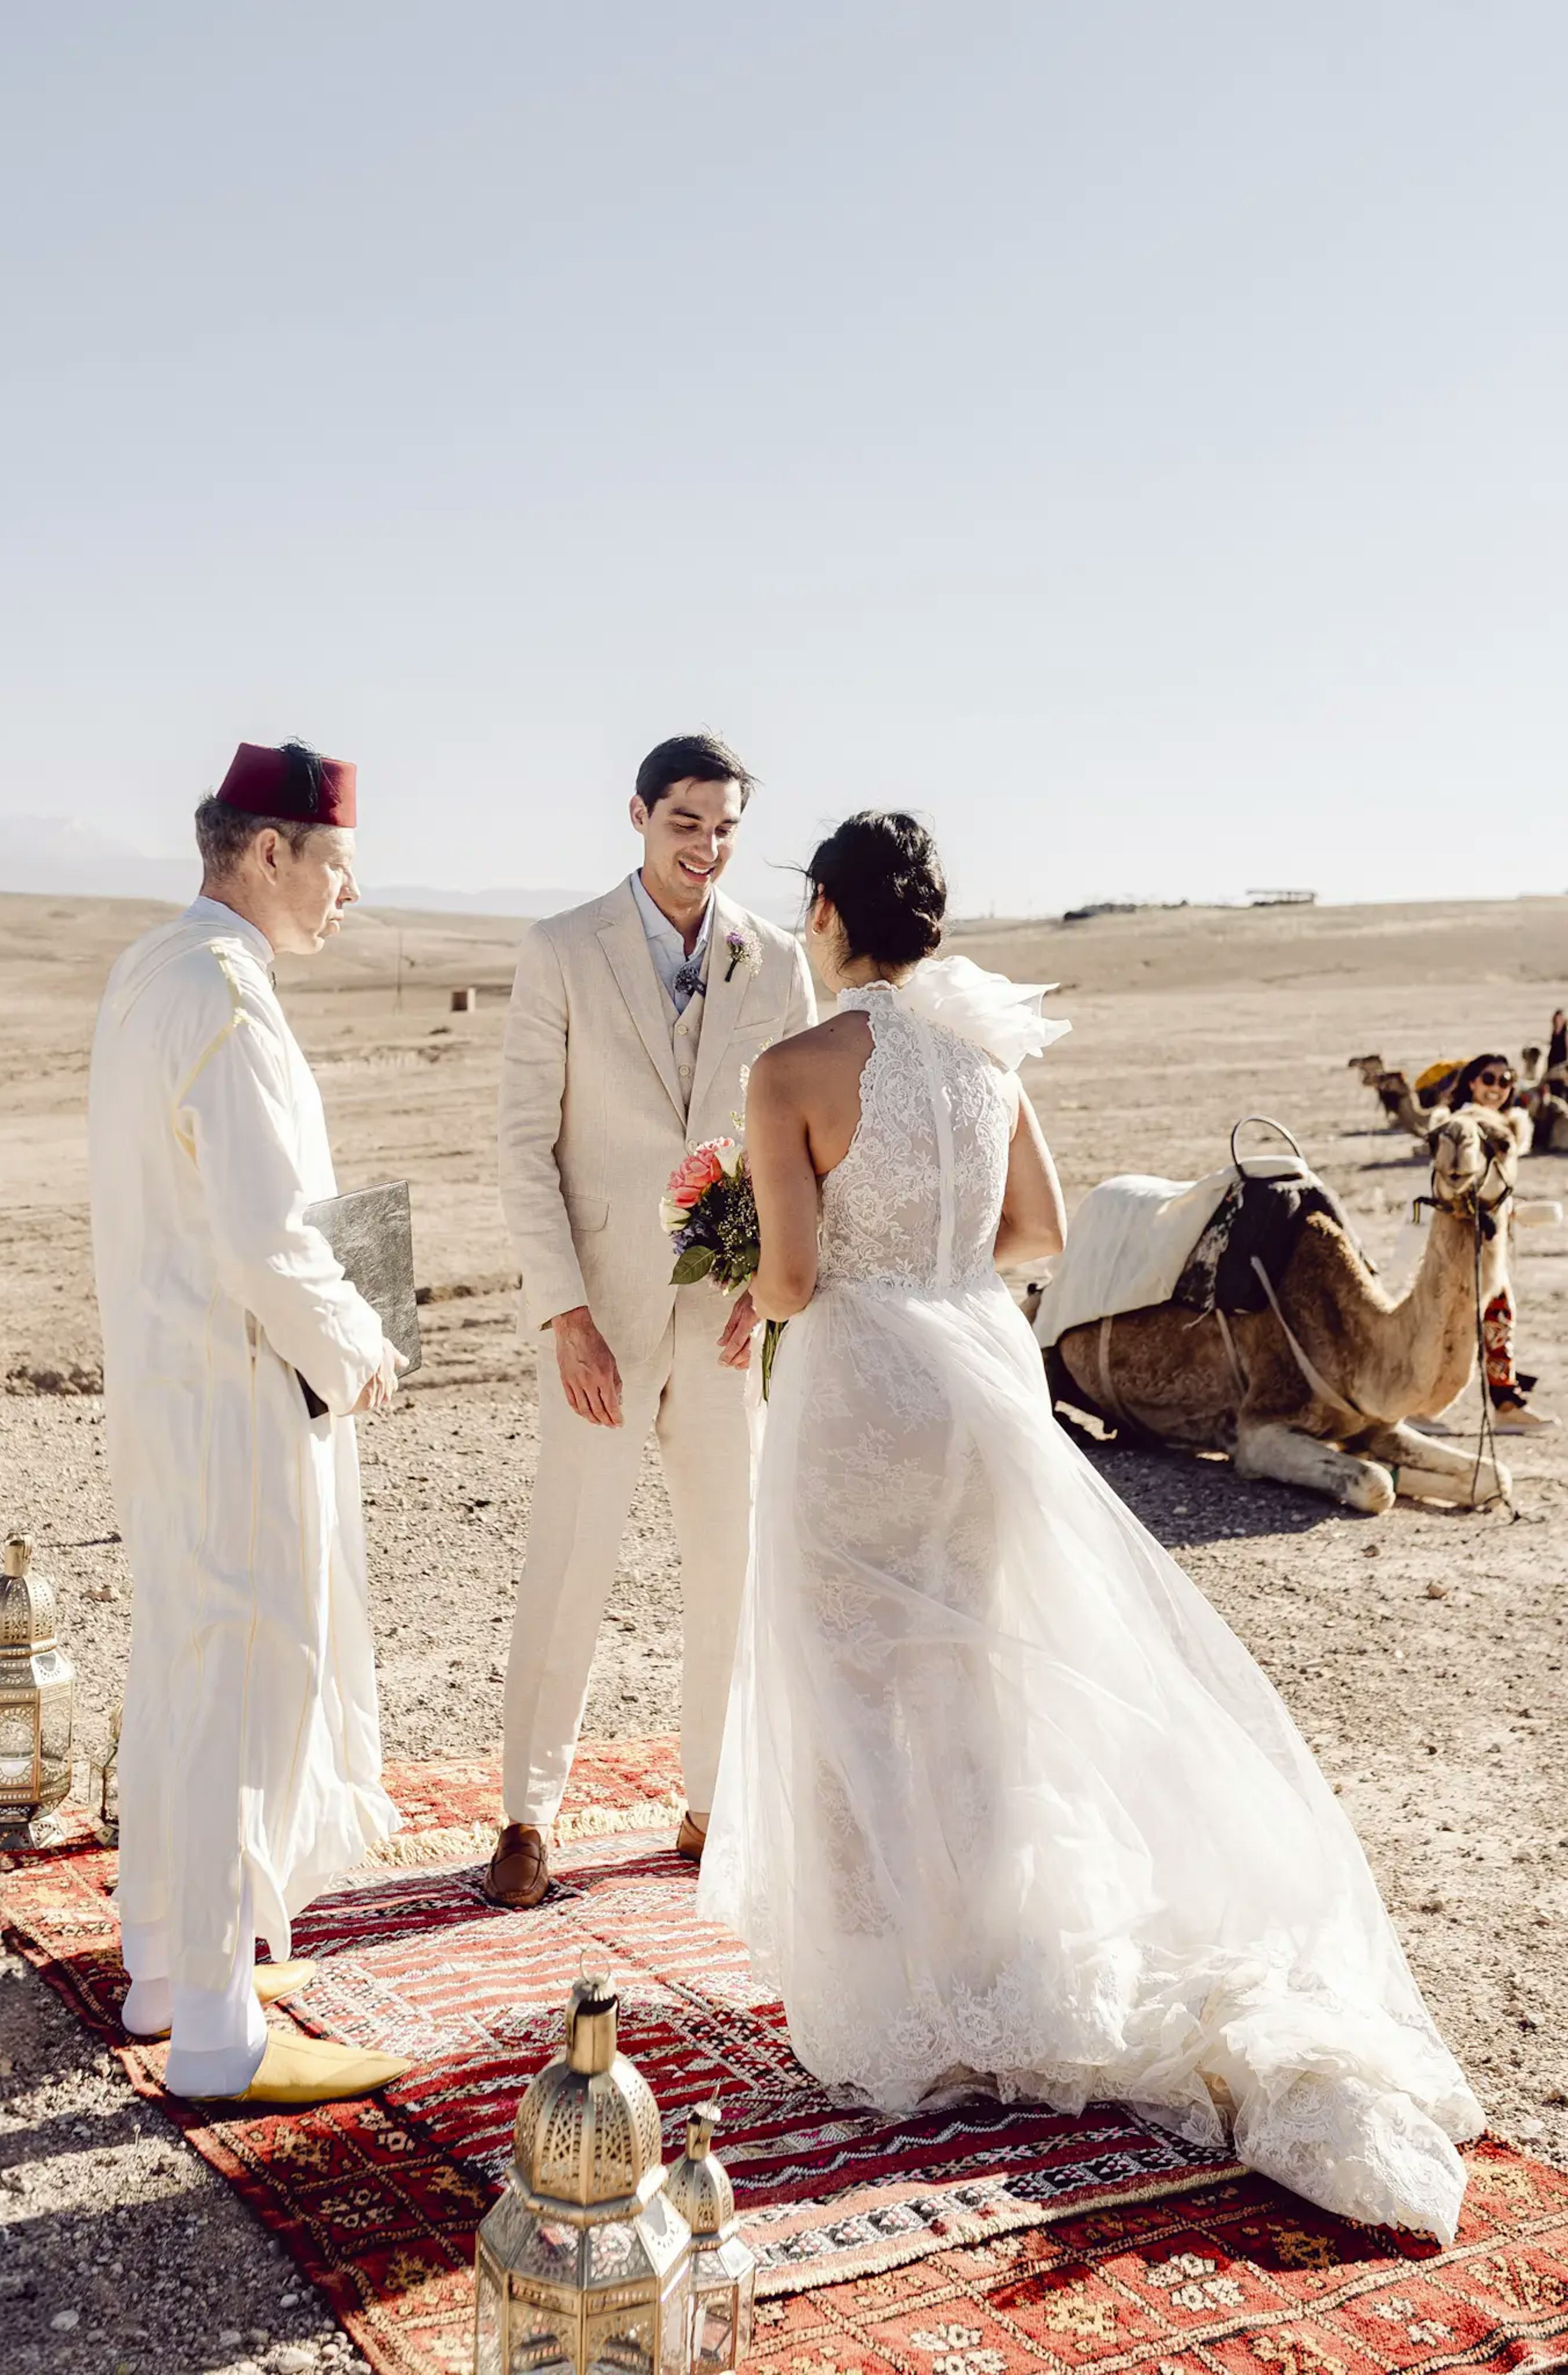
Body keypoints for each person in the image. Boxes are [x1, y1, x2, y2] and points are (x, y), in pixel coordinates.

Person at [699, 809, 1483, 2244]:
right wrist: (932, 1266)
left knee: (850, 1673)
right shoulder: (982, 1058)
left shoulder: (789, 1068)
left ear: (820, 912)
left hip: (861, 1390)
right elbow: (1036, 1234)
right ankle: (997, 1955)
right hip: (979, 1377)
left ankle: (889, 2000)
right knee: (972, 1671)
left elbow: (800, 1278)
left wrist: (766, 1256)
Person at [88, 740, 411, 2104]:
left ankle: (165, 1961)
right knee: (244, 1674)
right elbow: (269, 1234)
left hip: (179, 1387)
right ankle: (219, 2028)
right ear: (269, 851)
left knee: (187, 1656)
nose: (350, 891)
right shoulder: (224, 991)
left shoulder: (155, 968)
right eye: (336, 862)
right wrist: (364, 1348)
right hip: (235, 1392)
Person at [488, 732, 816, 1907]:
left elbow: (802, 1139)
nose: (705, 849)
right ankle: (528, 1812)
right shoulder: (559, 951)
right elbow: (525, 1146)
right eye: (685, 824)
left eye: (724, 829)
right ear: (637, 815)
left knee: (732, 1560)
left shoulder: (772, 962)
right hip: (601, 1322)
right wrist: (564, 1315)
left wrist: (771, 1288)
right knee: (571, 1556)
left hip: (726, 1323)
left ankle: (710, 1800)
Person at [1451, 1053, 1551, 1431]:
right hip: (1462, 1241)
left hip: (1493, 1242)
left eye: (1505, 1080)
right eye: (1488, 1079)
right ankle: (1424, 1406)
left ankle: (1505, 1403)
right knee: (1455, 1323)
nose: (1496, 1088)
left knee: (1498, 1317)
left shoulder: (1508, 1128)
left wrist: (1514, 1211)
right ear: (1472, 1083)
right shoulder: (1461, 1129)